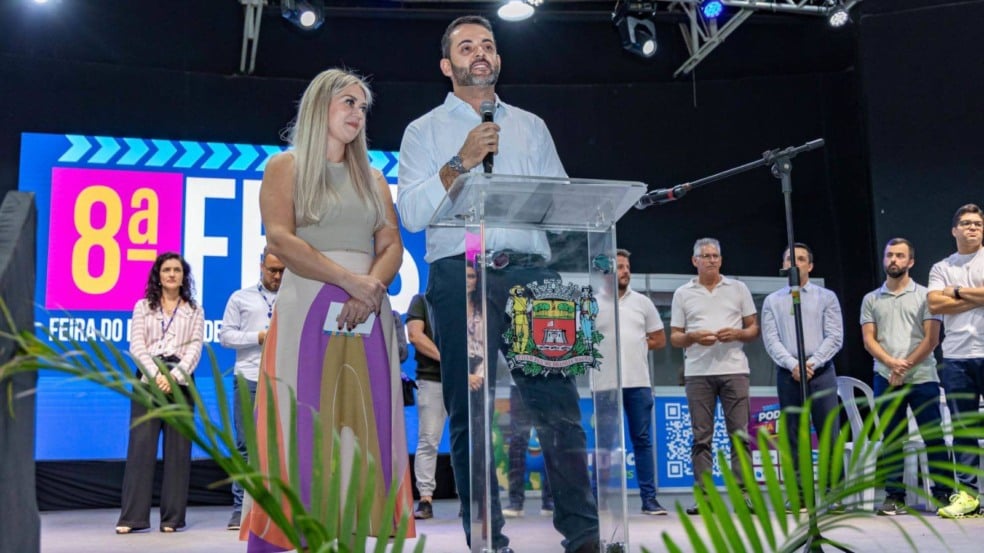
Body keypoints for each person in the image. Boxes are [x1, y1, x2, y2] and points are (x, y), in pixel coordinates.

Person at [397, 15, 599, 553]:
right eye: (467, 47)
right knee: (472, 412)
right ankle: (488, 540)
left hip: (535, 274)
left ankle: (584, 537)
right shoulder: (422, 131)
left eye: (487, 45)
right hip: (461, 271)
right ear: (447, 66)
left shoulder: (532, 126)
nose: (480, 52)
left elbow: (563, 202)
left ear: (499, 60)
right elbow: (411, 214)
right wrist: (461, 160)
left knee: (561, 410)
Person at [241, 68, 413, 550]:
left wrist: (370, 289)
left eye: (363, 106)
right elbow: (280, 239)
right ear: (320, 105)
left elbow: (392, 245)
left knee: (366, 426)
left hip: (369, 314)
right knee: (297, 425)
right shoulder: (285, 166)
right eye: (348, 102)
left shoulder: (374, 178)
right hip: (306, 312)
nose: (358, 113)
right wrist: (349, 282)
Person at [116, 252, 204, 534]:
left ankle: (172, 519)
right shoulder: (143, 307)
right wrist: (156, 376)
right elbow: (137, 346)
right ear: (158, 275)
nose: (172, 274)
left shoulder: (194, 309)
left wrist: (174, 378)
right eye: (167, 270)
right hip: (148, 378)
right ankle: (132, 519)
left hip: (181, 380)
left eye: (177, 270)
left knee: (178, 452)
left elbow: (195, 349)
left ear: (184, 276)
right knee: (140, 449)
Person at [669, 238, 758, 515]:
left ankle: (744, 496)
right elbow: (674, 337)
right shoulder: (683, 293)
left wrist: (738, 333)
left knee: (740, 436)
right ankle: (705, 498)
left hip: (735, 370)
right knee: (701, 438)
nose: (711, 260)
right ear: (694, 261)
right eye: (705, 256)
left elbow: (753, 328)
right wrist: (692, 337)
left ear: (721, 259)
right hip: (698, 373)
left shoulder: (738, 288)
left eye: (715, 256)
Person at [861, 238, 950, 515]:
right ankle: (894, 497)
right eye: (889, 255)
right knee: (892, 439)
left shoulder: (925, 295)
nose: (894, 260)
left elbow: (932, 339)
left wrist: (904, 367)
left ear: (911, 261)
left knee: (933, 437)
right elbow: (869, 340)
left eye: (900, 256)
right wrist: (891, 365)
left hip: (922, 377)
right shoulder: (871, 299)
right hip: (885, 377)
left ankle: (944, 494)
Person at [760, 242, 843, 512]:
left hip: (821, 371)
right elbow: (771, 340)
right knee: (794, 435)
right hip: (789, 373)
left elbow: (835, 336)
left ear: (811, 265)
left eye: (801, 259)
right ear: (783, 265)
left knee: (828, 432)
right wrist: (793, 364)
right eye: (789, 259)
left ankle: (833, 493)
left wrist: (812, 363)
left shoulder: (826, 297)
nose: (794, 263)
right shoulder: (773, 301)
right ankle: (799, 495)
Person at [592, 249, 668, 515]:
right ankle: (597, 500)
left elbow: (659, 339)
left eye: (627, 267)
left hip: (638, 383)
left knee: (642, 441)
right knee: (604, 444)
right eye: (620, 267)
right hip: (605, 384)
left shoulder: (642, 303)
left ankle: (649, 500)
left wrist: (636, 345)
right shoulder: (591, 303)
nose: (625, 271)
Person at [219, 248, 285, 530]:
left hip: (284, 379)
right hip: (249, 377)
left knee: (281, 445)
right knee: (246, 446)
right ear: (261, 266)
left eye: (282, 271)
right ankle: (241, 509)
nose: (277, 276)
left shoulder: (293, 298)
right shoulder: (241, 297)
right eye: (272, 270)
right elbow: (225, 336)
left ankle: (278, 507)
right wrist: (258, 337)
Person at [928, 203, 984, 519]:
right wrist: (976, 297)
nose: (972, 227)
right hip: (956, 357)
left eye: (977, 223)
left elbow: (947, 300)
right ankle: (968, 496)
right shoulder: (941, 267)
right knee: (963, 429)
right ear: (954, 230)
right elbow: (935, 304)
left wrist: (958, 292)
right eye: (965, 223)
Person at [406, 293, 445, 520]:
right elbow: (415, 335)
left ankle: (470, 498)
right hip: (432, 379)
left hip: (468, 378)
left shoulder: (470, 301)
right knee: (429, 439)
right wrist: (448, 360)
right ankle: (425, 498)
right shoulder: (422, 300)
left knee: (468, 441)